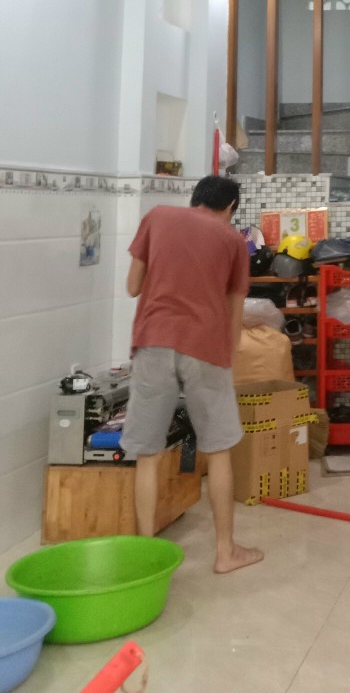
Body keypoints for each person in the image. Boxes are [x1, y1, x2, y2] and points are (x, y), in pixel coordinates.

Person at [120, 175, 263, 574]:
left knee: (147, 454)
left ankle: (145, 557)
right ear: (230, 207)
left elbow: (132, 286)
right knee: (218, 451)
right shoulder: (233, 240)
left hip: (153, 341)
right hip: (206, 348)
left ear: (195, 198)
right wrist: (228, 358)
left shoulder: (157, 217)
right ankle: (225, 552)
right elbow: (235, 309)